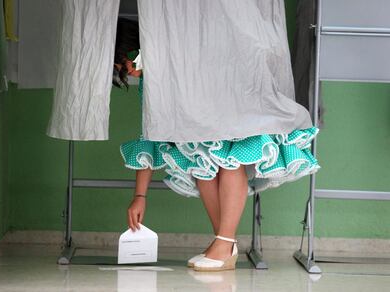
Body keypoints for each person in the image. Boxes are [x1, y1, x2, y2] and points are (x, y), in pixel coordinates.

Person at [114, 9, 320, 272]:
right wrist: (140, 195)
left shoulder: (176, 56)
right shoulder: (154, 83)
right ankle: (224, 243)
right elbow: (150, 136)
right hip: (200, 122)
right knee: (203, 167)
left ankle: (224, 244)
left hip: (230, 99)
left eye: (128, 63)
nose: (129, 72)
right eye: (123, 71)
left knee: (229, 160)